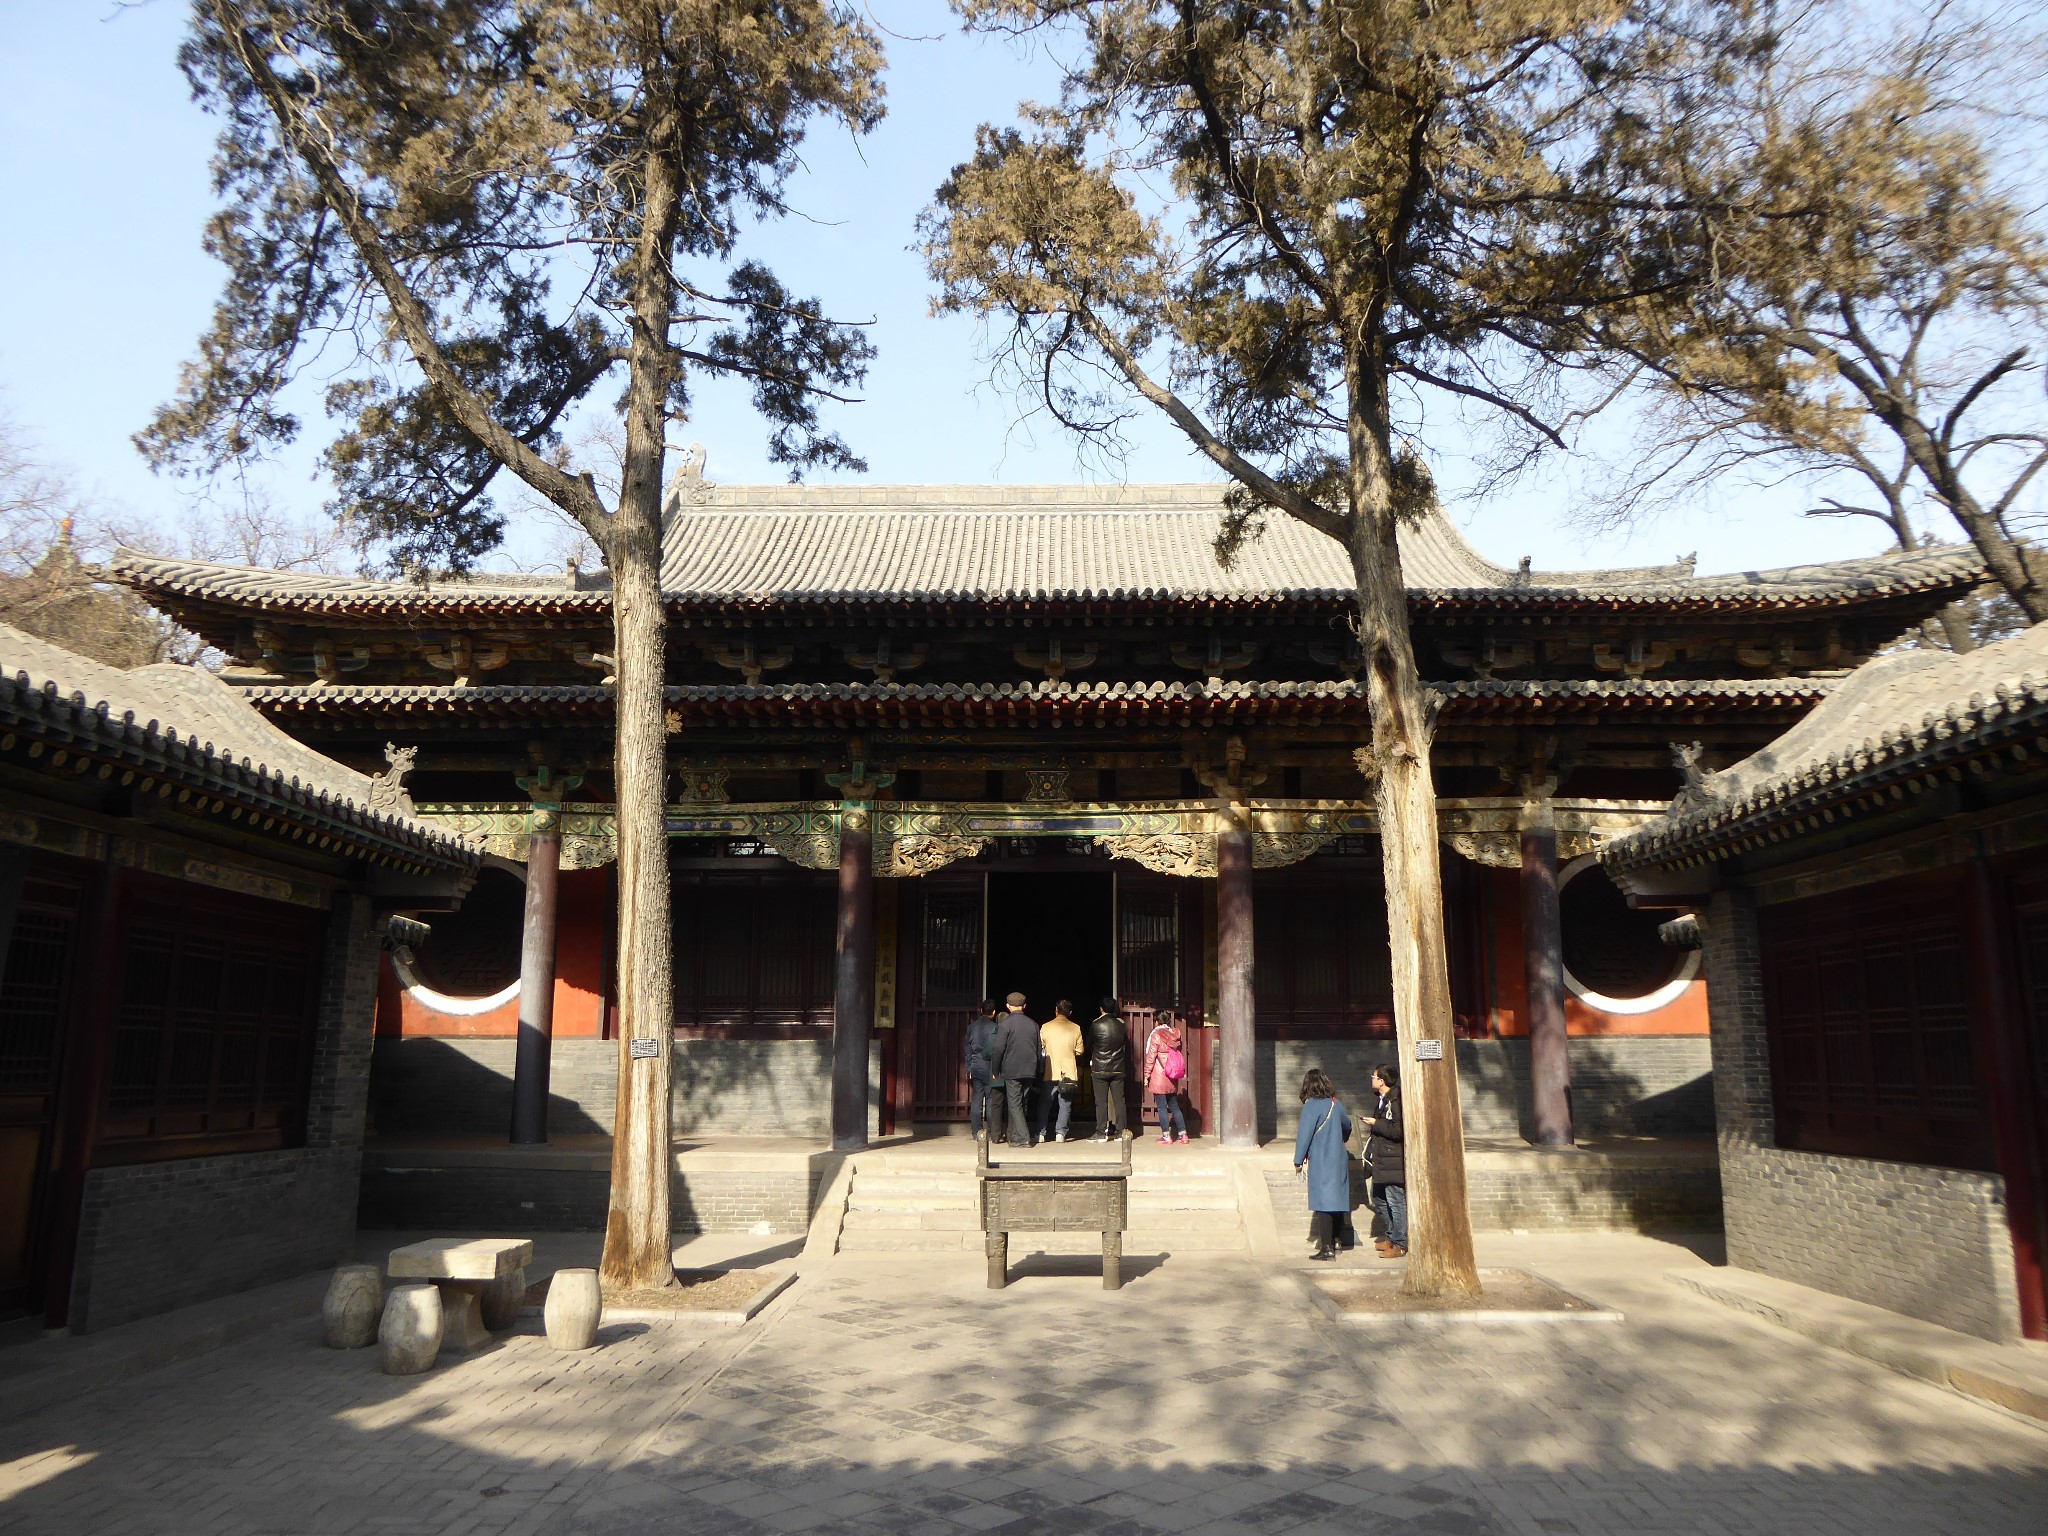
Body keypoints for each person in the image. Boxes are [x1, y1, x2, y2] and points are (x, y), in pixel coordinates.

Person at [1292, 1069, 1354, 1261]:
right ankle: (1335, 1240)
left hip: (1320, 1159)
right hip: (1338, 1159)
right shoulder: (1336, 1104)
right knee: (1335, 1201)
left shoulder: (1310, 1107)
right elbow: (1347, 1126)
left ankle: (1327, 1248)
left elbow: (1304, 1136)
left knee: (1323, 1204)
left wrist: (1298, 1160)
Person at [1363, 1062, 1407, 1258]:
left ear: (1382, 1081)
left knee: (1395, 1201)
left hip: (1392, 1160)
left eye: (1374, 1077)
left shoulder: (1395, 1100)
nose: (1371, 1080)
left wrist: (1376, 1123)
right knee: (1379, 1200)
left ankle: (1400, 1242)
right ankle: (1391, 1235)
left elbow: (1398, 1131)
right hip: (1381, 1159)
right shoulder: (1382, 1100)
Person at [989, 992, 1041, 1149]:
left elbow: (998, 1049)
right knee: (1021, 1103)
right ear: (1024, 1006)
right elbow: (1039, 1050)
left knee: (1014, 1104)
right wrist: (1038, 1069)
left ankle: (1023, 1138)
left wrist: (995, 1069)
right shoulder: (1033, 1024)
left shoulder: (1005, 1025)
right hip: (1030, 1069)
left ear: (1008, 1006)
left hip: (1012, 1069)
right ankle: (1013, 1136)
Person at [1036, 1000, 1085, 1143]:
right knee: (1065, 1104)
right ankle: (1060, 1134)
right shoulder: (1076, 1028)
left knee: (1045, 1103)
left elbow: (1041, 1048)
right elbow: (1080, 1050)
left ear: (1056, 1010)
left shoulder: (1045, 1027)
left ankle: (1041, 1133)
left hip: (1050, 1071)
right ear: (1070, 1013)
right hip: (1068, 1072)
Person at [1085, 996, 1129, 1140]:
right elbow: (1125, 1043)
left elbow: (1089, 1043)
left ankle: (1100, 1132)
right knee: (1119, 1101)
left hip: (1100, 1067)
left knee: (1101, 1101)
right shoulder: (1121, 1024)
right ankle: (1120, 1131)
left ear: (1101, 1009)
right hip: (1117, 1067)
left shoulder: (1096, 1024)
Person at [1143, 1012, 1190, 1144]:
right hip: (1172, 1074)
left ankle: (1166, 1136)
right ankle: (1183, 1135)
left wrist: (1147, 1075)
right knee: (1174, 1106)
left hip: (1159, 1075)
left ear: (1156, 1021)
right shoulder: (1174, 1034)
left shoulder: (1156, 1035)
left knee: (1162, 1107)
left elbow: (1151, 1056)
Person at [965, 999, 1000, 1141]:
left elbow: (967, 1049)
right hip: (990, 1065)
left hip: (976, 1064)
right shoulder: (995, 1027)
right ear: (994, 1013)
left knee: (977, 1099)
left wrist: (968, 1067)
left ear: (981, 1011)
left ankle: (976, 1132)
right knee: (991, 1100)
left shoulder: (971, 1027)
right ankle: (992, 1132)